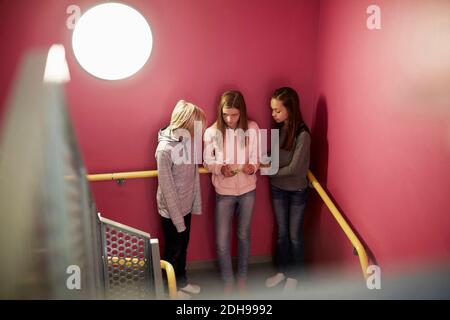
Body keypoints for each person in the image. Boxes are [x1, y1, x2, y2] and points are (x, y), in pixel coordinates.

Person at [203, 90, 260, 295]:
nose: (229, 119)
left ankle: (242, 278)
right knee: (222, 240)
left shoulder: (252, 128)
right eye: (226, 114)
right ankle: (228, 280)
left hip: (248, 191)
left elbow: (256, 157)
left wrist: (252, 167)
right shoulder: (211, 132)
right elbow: (207, 160)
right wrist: (220, 168)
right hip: (224, 191)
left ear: (241, 112)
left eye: (234, 114)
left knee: (244, 235)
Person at [156, 100, 206, 299]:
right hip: (171, 211)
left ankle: (182, 281)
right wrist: (178, 221)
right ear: (185, 124)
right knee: (173, 250)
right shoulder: (164, 151)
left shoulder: (188, 139)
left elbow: (193, 172)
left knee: (183, 246)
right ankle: (169, 290)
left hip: (185, 206)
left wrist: (195, 204)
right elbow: (167, 190)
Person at [265, 87, 311, 293]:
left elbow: (295, 169)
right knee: (282, 234)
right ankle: (282, 271)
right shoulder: (278, 129)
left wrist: (268, 172)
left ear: (290, 110)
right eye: (272, 110)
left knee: (294, 236)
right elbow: (274, 157)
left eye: (277, 110)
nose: (273, 114)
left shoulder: (303, 134)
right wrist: (261, 160)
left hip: (297, 191)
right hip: (278, 189)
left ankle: (295, 276)